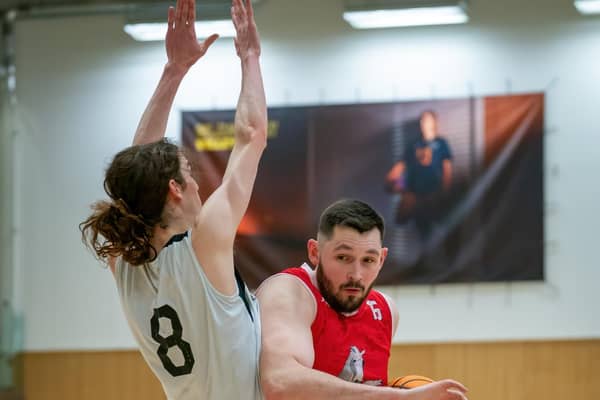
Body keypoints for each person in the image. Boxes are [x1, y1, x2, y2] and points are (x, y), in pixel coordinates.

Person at [80, 0, 266, 399]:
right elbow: (251, 135)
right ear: (174, 188)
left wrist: (174, 70)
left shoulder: (124, 264)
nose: (199, 183)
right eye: (188, 171)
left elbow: (137, 171)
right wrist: (250, 56)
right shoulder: (205, 243)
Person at [257, 199, 468, 400]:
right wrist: (398, 397)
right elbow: (280, 383)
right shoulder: (289, 292)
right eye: (343, 258)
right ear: (315, 252)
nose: (356, 274)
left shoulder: (386, 310)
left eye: (368, 260)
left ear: (382, 259)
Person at [386, 111, 453, 236]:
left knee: (437, 231)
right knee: (418, 229)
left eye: (427, 120)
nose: (424, 123)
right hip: (415, 196)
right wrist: (399, 185)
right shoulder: (413, 145)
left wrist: (445, 194)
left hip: (434, 195)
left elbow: (447, 170)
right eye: (422, 120)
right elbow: (400, 169)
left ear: (434, 122)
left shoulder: (442, 143)